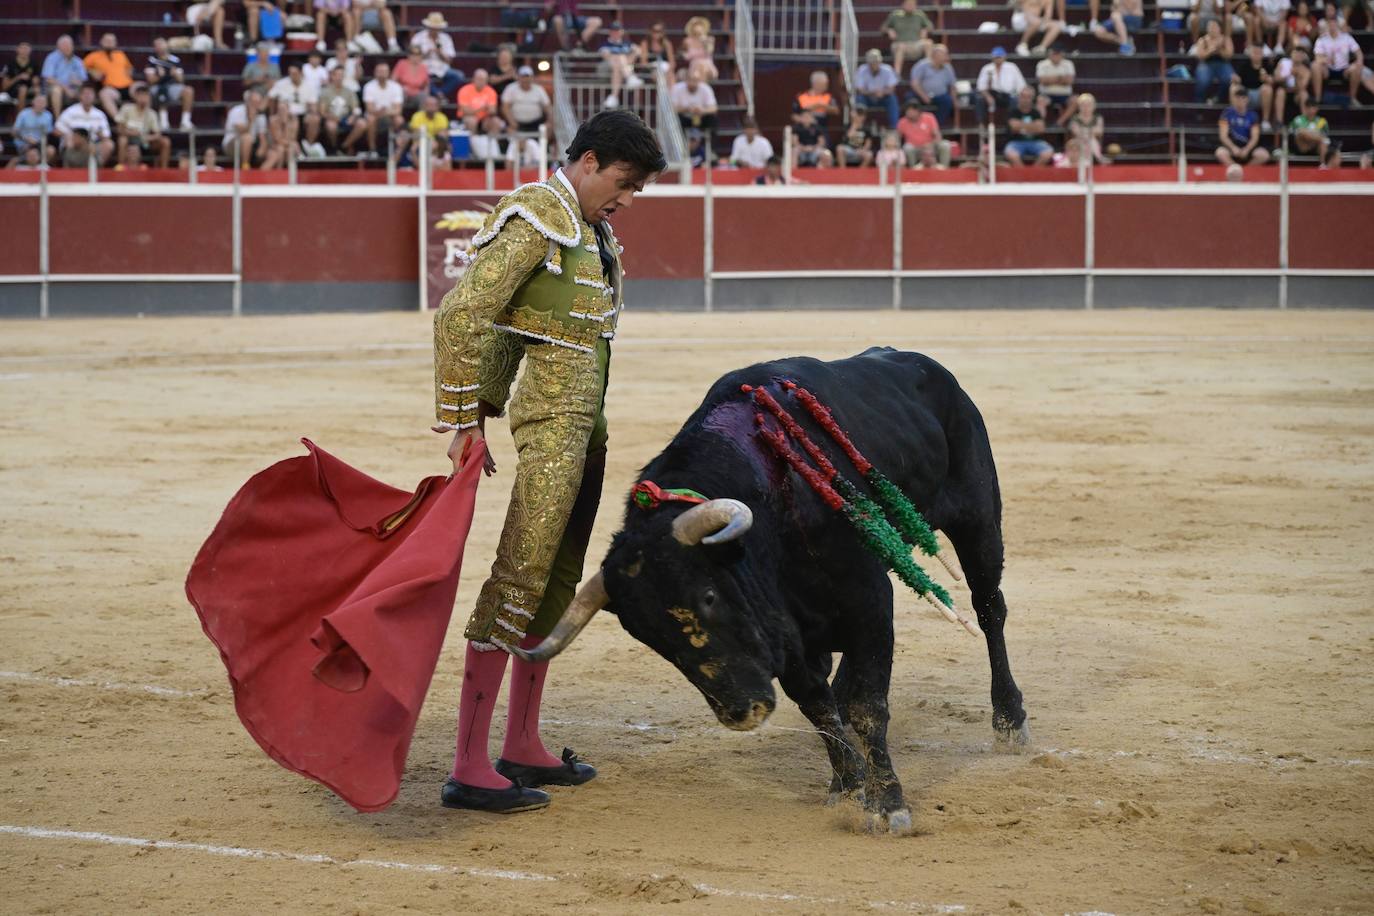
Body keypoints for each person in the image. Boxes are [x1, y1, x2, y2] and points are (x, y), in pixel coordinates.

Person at [433, 108, 665, 814]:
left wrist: (486, 405)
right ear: (589, 161)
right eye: (624, 182)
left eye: (637, 189)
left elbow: (514, 323)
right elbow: (466, 313)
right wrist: (466, 418)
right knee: (520, 574)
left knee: (557, 578)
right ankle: (468, 765)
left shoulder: (589, 230)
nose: (628, 199)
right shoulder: (537, 215)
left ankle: (522, 742)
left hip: (586, 430)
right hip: (551, 428)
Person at [55, 83, 114, 165]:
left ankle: (97, 168)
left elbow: (106, 135)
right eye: (85, 94)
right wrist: (69, 135)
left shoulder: (99, 115)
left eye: (90, 94)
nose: (87, 96)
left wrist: (100, 135)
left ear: (94, 96)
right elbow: (57, 130)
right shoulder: (70, 111)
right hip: (74, 143)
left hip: (93, 144)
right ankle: (69, 168)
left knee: (109, 144)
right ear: (80, 96)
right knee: (70, 139)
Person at [145, 37, 195, 130]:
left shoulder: (175, 60)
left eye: (161, 43)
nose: (160, 46)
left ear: (166, 45)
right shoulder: (152, 60)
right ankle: (163, 122)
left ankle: (185, 121)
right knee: (162, 90)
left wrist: (175, 74)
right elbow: (150, 80)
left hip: (173, 86)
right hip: (157, 87)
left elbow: (181, 80)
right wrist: (159, 76)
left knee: (188, 90)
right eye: (157, 45)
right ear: (154, 48)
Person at [115, 84, 170, 168]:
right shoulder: (126, 108)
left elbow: (158, 133)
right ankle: (120, 167)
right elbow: (119, 129)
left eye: (146, 96)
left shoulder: (152, 113)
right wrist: (131, 133)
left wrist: (149, 137)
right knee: (122, 140)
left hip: (144, 141)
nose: (143, 98)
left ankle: (164, 169)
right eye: (141, 96)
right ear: (135, 97)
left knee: (165, 141)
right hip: (129, 138)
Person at [411, 11, 464, 99]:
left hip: (442, 68)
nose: (435, 30)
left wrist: (440, 52)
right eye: (433, 28)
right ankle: (439, 96)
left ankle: (440, 93)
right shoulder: (418, 37)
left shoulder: (446, 38)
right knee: (422, 78)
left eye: (437, 28)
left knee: (459, 76)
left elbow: (449, 60)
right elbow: (412, 59)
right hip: (424, 68)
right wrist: (427, 53)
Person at [84, 32, 136, 122]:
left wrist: (129, 72)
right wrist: (91, 71)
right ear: (101, 42)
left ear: (115, 43)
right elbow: (81, 67)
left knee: (142, 87)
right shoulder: (94, 56)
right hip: (111, 89)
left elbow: (130, 68)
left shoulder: (120, 54)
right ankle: (119, 121)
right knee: (104, 94)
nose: (109, 43)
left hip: (128, 86)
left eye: (112, 41)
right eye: (107, 40)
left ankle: (142, 119)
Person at [1215, 85, 1270, 166]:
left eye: (1243, 98)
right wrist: (1233, 148)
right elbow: (1223, 136)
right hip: (1232, 146)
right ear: (1234, 99)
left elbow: (1255, 137)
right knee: (1220, 153)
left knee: (1264, 155)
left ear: (1247, 99)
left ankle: (1247, 170)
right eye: (1238, 98)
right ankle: (1235, 168)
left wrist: (1247, 150)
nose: (1240, 100)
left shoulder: (1253, 115)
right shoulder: (1226, 113)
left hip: (1248, 147)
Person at [318, 65, 368, 153]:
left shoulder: (349, 91)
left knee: (362, 124)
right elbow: (322, 112)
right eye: (337, 75)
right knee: (331, 126)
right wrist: (334, 118)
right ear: (332, 76)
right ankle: (334, 147)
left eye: (341, 75)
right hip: (332, 118)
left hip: (347, 118)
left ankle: (344, 146)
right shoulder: (325, 92)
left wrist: (353, 117)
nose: (339, 77)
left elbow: (356, 108)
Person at [1312, 21, 1363, 102]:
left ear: (1337, 25)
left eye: (1334, 24)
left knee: (1357, 68)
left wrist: (1358, 62)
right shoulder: (1321, 39)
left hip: (1344, 69)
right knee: (1315, 65)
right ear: (1327, 26)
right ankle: (1317, 98)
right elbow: (1317, 58)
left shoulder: (1347, 37)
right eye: (1330, 25)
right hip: (1327, 69)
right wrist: (1326, 59)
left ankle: (1352, 98)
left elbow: (1358, 52)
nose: (1332, 27)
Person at [599, 21, 644, 110]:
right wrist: (621, 59)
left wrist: (630, 58)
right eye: (613, 30)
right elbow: (606, 56)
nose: (615, 33)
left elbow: (639, 50)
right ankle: (630, 77)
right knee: (619, 58)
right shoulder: (605, 44)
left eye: (617, 30)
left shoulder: (627, 43)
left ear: (622, 32)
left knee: (618, 68)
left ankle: (614, 96)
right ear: (610, 32)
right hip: (607, 68)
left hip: (620, 69)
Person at [882, 0, 934, 77]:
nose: (910, 6)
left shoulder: (920, 15)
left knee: (928, 43)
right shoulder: (895, 15)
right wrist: (889, 30)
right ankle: (896, 75)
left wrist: (925, 29)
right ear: (903, 5)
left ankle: (929, 71)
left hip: (916, 44)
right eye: (908, 4)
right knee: (901, 47)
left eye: (912, 4)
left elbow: (930, 27)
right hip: (900, 44)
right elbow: (883, 28)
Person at [910, 44, 957, 127]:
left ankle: (936, 126)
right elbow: (915, 83)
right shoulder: (921, 65)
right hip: (921, 94)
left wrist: (954, 100)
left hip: (940, 95)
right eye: (944, 55)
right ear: (935, 56)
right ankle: (914, 125)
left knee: (948, 101)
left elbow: (953, 86)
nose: (946, 58)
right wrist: (923, 96)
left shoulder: (948, 67)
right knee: (910, 100)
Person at [1003, 86, 1053, 165]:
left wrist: (1021, 125)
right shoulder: (1013, 111)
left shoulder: (1036, 112)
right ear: (1019, 97)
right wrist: (1033, 126)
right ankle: (1022, 173)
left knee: (1047, 153)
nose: (1025, 99)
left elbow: (1041, 129)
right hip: (1016, 141)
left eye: (1028, 97)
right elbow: (1014, 127)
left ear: (1032, 99)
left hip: (1035, 141)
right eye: (1023, 96)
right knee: (1012, 155)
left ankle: (1034, 172)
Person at [363, 61, 404, 155]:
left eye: (384, 71)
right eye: (379, 71)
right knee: (370, 119)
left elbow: (398, 110)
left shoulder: (396, 87)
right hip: (375, 115)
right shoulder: (369, 86)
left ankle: (396, 149)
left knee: (399, 120)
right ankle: (372, 149)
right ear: (375, 72)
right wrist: (381, 112)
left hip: (389, 115)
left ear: (389, 72)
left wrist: (385, 112)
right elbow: (369, 109)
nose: (382, 74)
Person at [1232, 43, 1276, 130]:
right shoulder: (1243, 64)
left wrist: (1266, 78)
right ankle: (1235, 118)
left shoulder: (1266, 65)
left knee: (1267, 89)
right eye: (1254, 52)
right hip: (1245, 95)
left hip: (1260, 97)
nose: (1256, 55)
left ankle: (1265, 121)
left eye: (1259, 53)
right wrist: (1236, 79)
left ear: (1262, 54)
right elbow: (1236, 78)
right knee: (1233, 88)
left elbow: (1272, 81)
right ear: (1250, 53)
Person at [976, 46, 1026, 123]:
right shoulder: (986, 68)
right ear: (992, 58)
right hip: (992, 94)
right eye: (996, 57)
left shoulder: (1012, 67)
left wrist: (1019, 95)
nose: (998, 59)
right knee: (980, 99)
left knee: (1015, 101)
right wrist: (987, 96)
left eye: (999, 57)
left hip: (1007, 95)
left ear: (1004, 57)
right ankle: (981, 124)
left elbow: (1021, 84)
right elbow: (981, 86)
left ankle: (1010, 124)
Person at [854, 49, 901, 128]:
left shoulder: (887, 69)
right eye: (872, 63)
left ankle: (894, 127)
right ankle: (858, 126)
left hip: (883, 97)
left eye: (876, 62)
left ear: (880, 62)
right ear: (868, 63)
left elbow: (892, 89)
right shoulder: (862, 70)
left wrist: (882, 92)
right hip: (868, 97)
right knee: (859, 99)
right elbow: (860, 90)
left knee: (892, 99)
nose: (874, 65)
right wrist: (873, 92)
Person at [42, 35, 87, 114]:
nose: (68, 47)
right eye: (65, 45)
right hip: (55, 87)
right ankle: (58, 118)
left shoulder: (77, 60)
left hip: (74, 88)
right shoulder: (52, 58)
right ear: (58, 47)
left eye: (69, 45)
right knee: (56, 90)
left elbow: (84, 79)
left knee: (87, 92)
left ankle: (83, 118)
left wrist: (78, 82)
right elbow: (48, 79)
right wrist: (66, 89)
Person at [1194, 19, 1236, 103]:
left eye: (1214, 27)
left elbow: (1229, 55)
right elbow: (1200, 56)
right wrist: (1210, 50)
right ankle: (1200, 101)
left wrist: (1220, 50)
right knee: (1203, 80)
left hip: (1223, 63)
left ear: (1219, 28)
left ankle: (1218, 98)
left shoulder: (1226, 39)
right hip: (1206, 64)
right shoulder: (1202, 40)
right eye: (1210, 27)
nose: (1212, 29)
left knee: (1228, 79)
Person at [1288, 96, 1338, 166]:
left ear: (1317, 108)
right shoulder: (1298, 120)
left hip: (1315, 147)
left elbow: (1324, 135)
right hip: (1301, 147)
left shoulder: (1322, 121)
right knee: (1302, 132)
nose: (1311, 110)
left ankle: (1323, 165)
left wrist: (1315, 136)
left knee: (1324, 142)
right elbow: (1293, 134)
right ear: (1305, 108)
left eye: (1313, 107)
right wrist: (1313, 135)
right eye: (1309, 107)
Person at [896, 100, 949, 167]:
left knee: (945, 145)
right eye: (907, 111)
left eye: (911, 110)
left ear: (918, 111)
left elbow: (937, 135)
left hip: (931, 147)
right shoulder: (902, 122)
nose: (908, 113)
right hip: (915, 148)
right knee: (907, 148)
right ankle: (913, 169)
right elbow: (897, 138)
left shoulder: (929, 117)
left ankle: (944, 168)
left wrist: (931, 144)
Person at [502, 65, 551, 136]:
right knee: (509, 130)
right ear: (518, 77)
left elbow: (547, 107)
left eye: (527, 77)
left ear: (532, 78)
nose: (525, 79)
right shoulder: (510, 88)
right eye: (523, 77)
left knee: (548, 129)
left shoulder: (539, 89)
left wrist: (549, 121)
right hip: (516, 123)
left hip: (536, 123)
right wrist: (512, 122)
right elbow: (505, 107)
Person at [1035, 44, 1076, 125]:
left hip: (1065, 95)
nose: (1055, 56)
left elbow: (1069, 81)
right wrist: (1061, 78)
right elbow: (1042, 81)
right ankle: (1040, 125)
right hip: (1047, 94)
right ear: (1049, 54)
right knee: (1040, 100)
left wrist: (1050, 80)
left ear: (1062, 54)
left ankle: (1059, 123)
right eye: (1053, 54)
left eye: (1057, 54)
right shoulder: (1042, 64)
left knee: (1075, 101)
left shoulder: (1068, 64)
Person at [670, 67, 718, 135]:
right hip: (684, 118)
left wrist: (702, 110)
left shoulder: (706, 88)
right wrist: (687, 109)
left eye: (695, 80)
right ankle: (680, 141)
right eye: (690, 80)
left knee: (713, 119)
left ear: (699, 80)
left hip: (702, 117)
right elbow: (672, 108)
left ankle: (710, 141)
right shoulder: (677, 88)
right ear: (686, 80)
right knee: (675, 119)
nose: (692, 83)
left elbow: (714, 108)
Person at [1066, 92, 1108, 164]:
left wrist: (1087, 133)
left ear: (1093, 106)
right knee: (1084, 141)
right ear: (1079, 106)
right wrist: (1089, 132)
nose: (1086, 108)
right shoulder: (1075, 118)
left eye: (1088, 105)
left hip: (1092, 140)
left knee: (1091, 140)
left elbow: (1099, 131)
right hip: (1078, 140)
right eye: (1083, 105)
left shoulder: (1098, 118)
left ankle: (1097, 158)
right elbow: (1076, 131)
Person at [13, 94, 56, 163]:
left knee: (51, 150)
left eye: (43, 102)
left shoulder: (48, 115)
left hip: (40, 144)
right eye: (38, 101)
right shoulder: (23, 113)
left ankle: (44, 167)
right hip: (24, 143)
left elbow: (48, 133)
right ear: (33, 102)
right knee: (33, 153)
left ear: (46, 105)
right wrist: (26, 138)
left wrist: (41, 143)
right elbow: (14, 132)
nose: (40, 104)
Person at [2, 42, 41, 110]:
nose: (24, 51)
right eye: (22, 48)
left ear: (30, 51)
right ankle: (21, 115)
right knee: (23, 89)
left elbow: (36, 81)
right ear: (17, 50)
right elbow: (4, 87)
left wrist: (35, 81)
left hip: (29, 88)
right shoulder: (10, 64)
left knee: (37, 90)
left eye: (26, 49)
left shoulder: (34, 63)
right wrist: (18, 77)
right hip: (13, 90)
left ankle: (36, 113)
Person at [681, 16, 718, 82]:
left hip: (708, 66)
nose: (698, 27)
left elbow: (709, 51)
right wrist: (685, 55)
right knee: (697, 70)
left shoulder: (710, 39)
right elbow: (685, 55)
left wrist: (704, 42)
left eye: (699, 25)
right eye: (695, 25)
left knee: (702, 68)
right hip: (694, 67)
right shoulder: (687, 41)